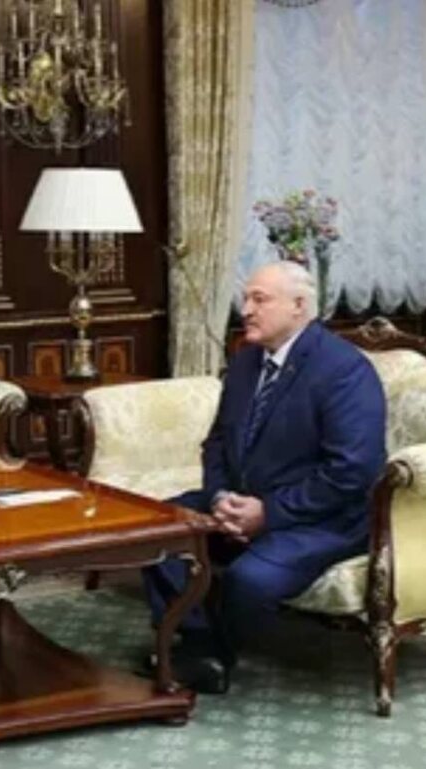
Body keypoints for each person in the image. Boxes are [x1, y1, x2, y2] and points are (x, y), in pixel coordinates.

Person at [145, 261, 387, 694]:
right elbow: (217, 442)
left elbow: (353, 472)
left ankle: (206, 653)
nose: (246, 310)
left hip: (324, 518)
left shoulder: (344, 370)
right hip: (243, 500)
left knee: (251, 579)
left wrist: (269, 513)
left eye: (260, 299)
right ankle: (199, 644)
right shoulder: (246, 362)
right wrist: (220, 496)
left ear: (299, 306)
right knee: (156, 529)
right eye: (246, 299)